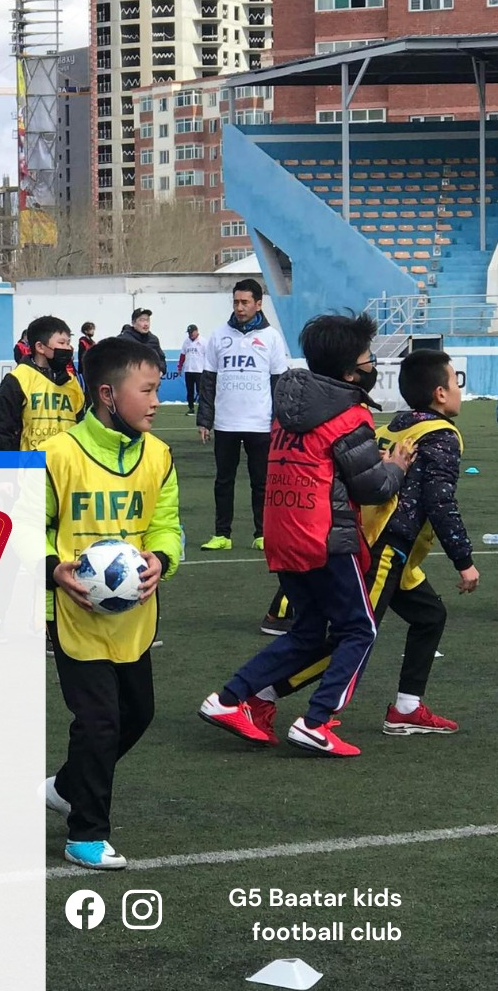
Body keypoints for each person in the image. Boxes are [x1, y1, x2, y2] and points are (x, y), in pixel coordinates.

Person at [198, 313, 413, 757]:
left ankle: (229, 699)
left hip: (283, 531)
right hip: (325, 536)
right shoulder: (348, 415)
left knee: (309, 631)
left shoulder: (289, 407)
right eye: (368, 359)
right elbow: (372, 488)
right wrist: (396, 467)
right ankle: (318, 721)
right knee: (360, 629)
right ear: (351, 373)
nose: (372, 366)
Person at [252, 350, 478, 739]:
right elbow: (439, 501)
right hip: (384, 548)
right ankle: (261, 694)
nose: (459, 390)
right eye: (455, 382)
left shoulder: (399, 424)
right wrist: (464, 560)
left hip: (389, 548)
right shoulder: (442, 435)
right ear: (440, 393)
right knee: (354, 638)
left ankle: (406, 708)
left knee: (430, 616)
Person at [42, 338, 181, 869]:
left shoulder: (158, 456)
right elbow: (26, 526)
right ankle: (86, 833)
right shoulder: (57, 454)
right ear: (107, 394)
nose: (156, 402)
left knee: (138, 714)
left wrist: (161, 559)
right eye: (146, 390)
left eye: (157, 390)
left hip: (134, 618)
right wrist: (53, 569)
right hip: (74, 616)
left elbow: (166, 525)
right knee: (99, 722)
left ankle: (67, 785)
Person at [197, 278, 289, 551]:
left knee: (261, 482)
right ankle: (222, 534)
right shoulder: (218, 335)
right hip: (225, 423)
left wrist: (279, 422)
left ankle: (262, 533)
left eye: (245, 302)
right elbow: (209, 381)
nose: (239, 307)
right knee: (223, 481)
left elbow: (279, 383)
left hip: (260, 424)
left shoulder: (272, 338)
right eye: (236, 302)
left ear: (258, 304)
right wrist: (205, 419)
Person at [0, 315, 83, 452]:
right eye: (62, 343)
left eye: (68, 343)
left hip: (66, 462)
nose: (68, 348)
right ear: (40, 347)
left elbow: (81, 425)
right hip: (30, 463)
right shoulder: (18, 379)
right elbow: (1, 431)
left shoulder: (71, 382)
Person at [118, 308, 166, 374]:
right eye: (142, 320)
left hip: (149, 377)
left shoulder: (153, 340)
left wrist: (161, 370)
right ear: (133, 323)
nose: (146, 324)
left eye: (147, 320)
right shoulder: (123, 339)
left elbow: (161, 359)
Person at [177, 323, 205, 415]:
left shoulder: (203, 342)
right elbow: (182, 355)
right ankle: (191, 408)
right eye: (189, 332)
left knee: (200, 390)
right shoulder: (186, 342)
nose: (190, 334)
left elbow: (208, 356)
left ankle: (202, 409)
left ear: (196, 331)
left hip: (199, 370)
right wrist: (180, 367)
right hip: (188, 370)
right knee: (190, 391)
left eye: (192, 332)